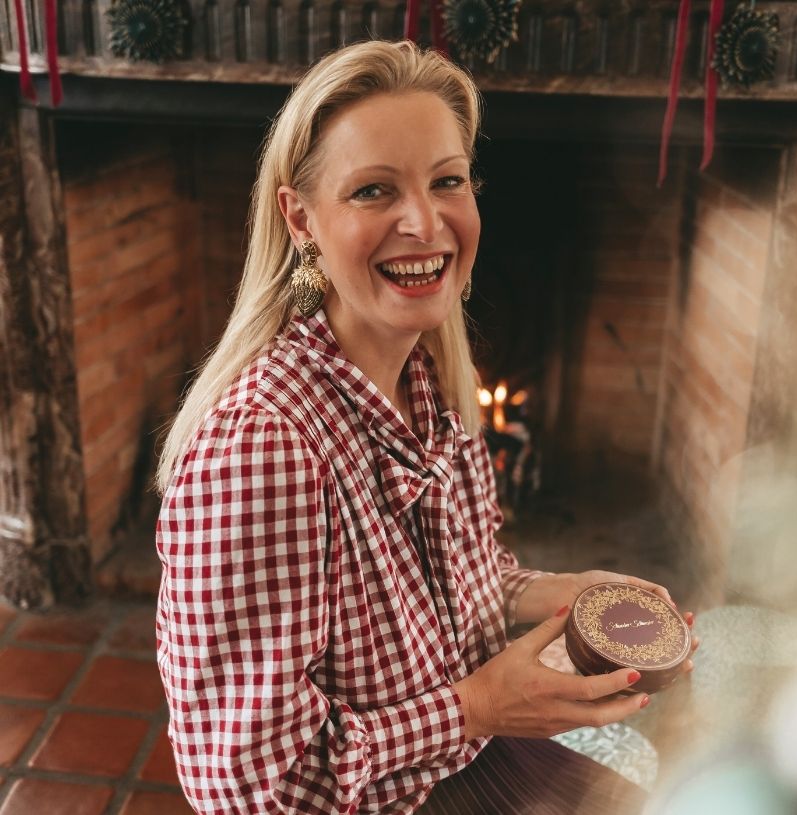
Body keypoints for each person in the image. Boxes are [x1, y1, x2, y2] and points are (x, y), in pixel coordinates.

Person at [154, 39, 696, 815]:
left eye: (447, 181)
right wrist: (477, 706)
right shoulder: (263, 446)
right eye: (373, 190)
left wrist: (557, 592)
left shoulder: (434, 380)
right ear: (300, 218)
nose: (424, 221)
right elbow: (242, 787)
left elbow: (448, 584)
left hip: (467, 754)